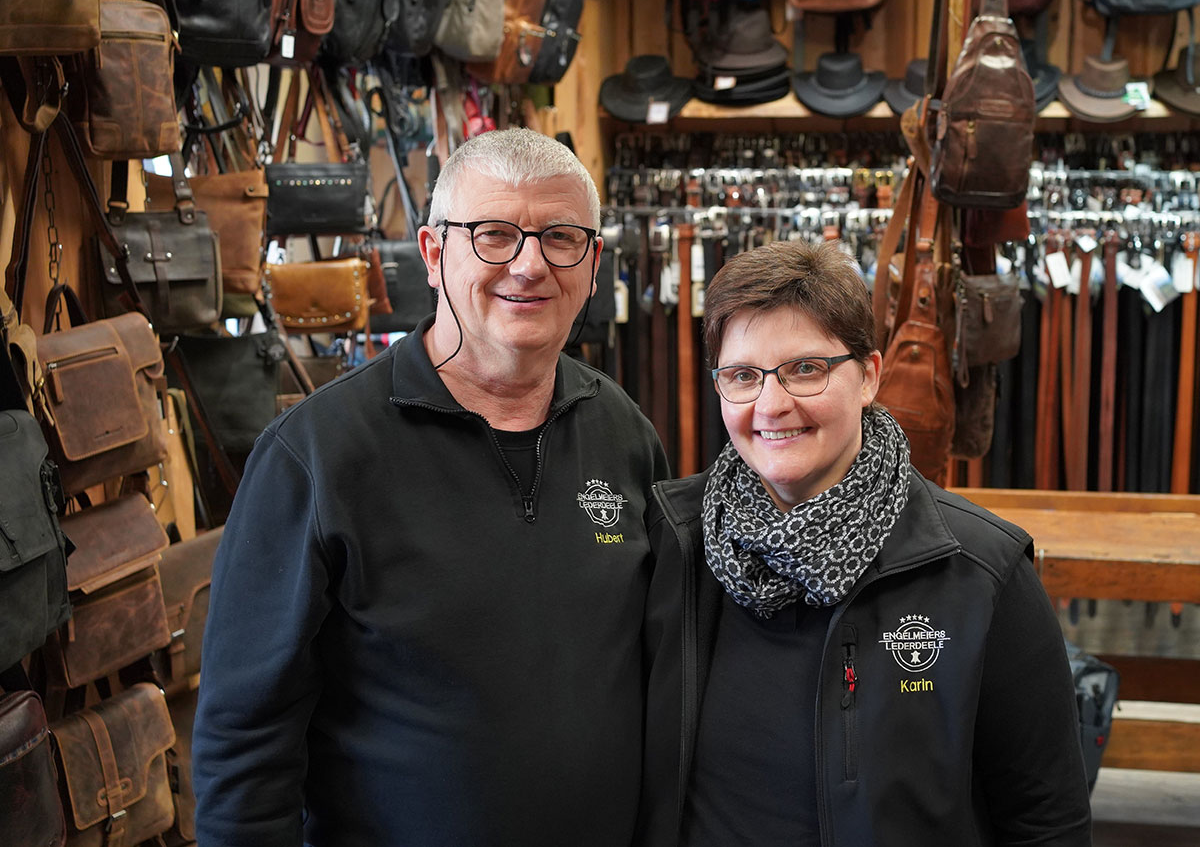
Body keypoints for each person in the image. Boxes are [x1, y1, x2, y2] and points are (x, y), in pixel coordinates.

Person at [192, 128, 670, 847]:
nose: (530, 264)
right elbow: (244, 739)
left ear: (593, 262)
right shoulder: (317, 456)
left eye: (561, 238)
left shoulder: (626, 434)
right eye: (493, 235)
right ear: (432, 253)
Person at [640, 240, 1092, 847]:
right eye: (743, 375)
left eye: (806, 368)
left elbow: (1046, 821)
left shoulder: (980, 571)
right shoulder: (675, 543)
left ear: (869, 376)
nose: (773, 405)